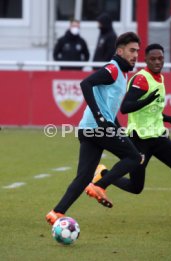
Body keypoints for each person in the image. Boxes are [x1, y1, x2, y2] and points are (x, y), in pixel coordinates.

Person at [89, 43, 171, 223]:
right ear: (146, 60)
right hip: (140, 139)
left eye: (160, 58)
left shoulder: (159, 77)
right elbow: (126, 108)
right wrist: (148, 99)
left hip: (158, 137)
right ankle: (103, 175)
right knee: (136, 188)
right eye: (153, 59)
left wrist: (167, 118)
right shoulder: (142, 79)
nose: (157, 62)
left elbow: (151, 110)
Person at [46, 32, 142, 225]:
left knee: (82, 177)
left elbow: (109, 111)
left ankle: (56, 212)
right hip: (97, 128)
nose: (135, 55)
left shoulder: (122, 73)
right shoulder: (113, 69)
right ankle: (100, 184)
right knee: (134, 158)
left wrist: (114, 127)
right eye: (132, 50)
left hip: (88, 129)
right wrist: (100, 117)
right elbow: (86, 83)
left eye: (137, 51)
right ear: (120, 51)